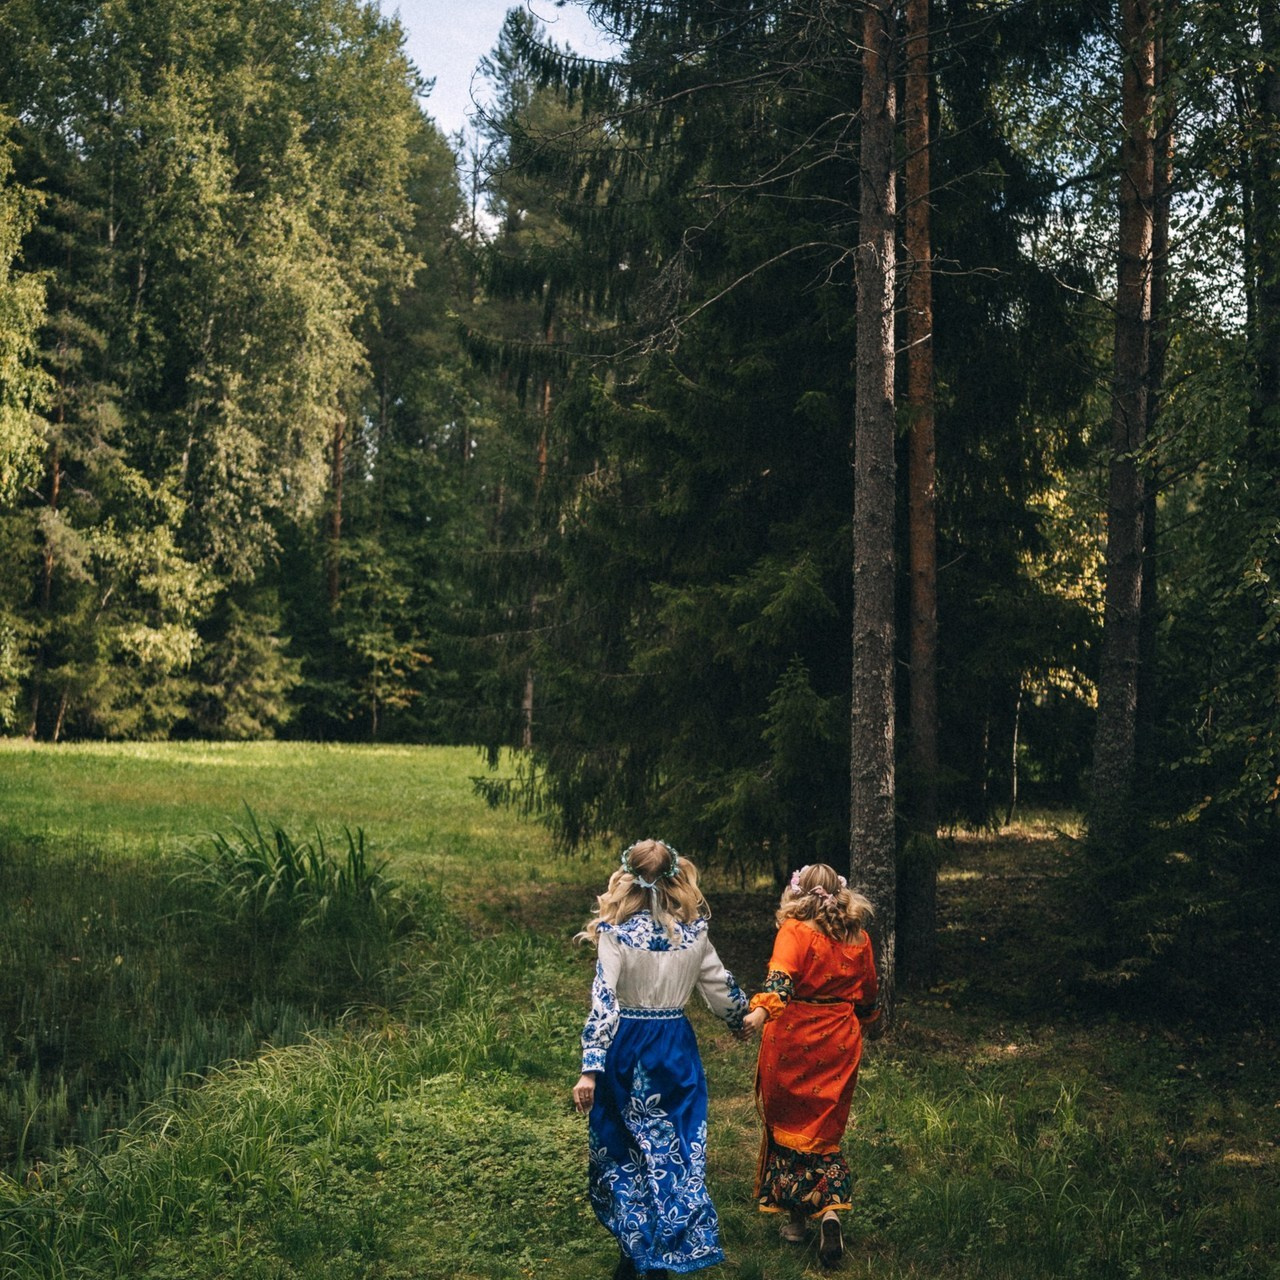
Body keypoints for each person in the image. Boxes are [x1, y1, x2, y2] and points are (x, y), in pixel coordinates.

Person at [572, 838, 748, 1280]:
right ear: (676, 878)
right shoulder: (694, 934)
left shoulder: (615, 933)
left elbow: (604, 1000)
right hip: (674, 1049)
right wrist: (741, 1018)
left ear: (626, 880)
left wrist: (591, 1068)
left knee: (623, 1149)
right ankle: (664, 1245)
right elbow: (719, 987)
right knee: (674, 1148)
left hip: (626, 1048)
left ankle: (635, 1247)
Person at [739, 863, 879, 1268]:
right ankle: (829, 1211)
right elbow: (869, 995)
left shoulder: (795, 931)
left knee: (788, 1128)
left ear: (798, 893)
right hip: (839, 1039)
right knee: (822, 1130)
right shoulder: (859, 938)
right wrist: (859, 1022)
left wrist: (758, 1014)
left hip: (793, 1038)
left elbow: (780, 983)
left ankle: (797, 1222)